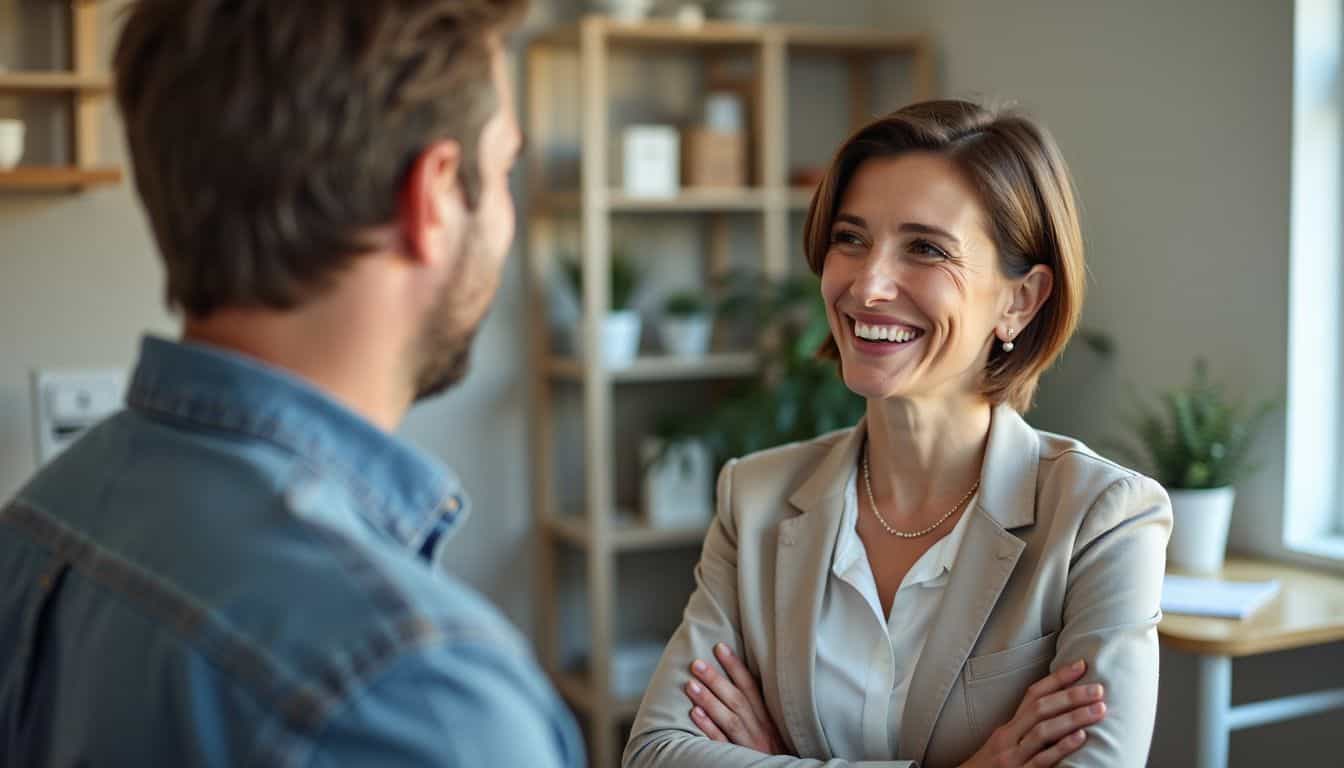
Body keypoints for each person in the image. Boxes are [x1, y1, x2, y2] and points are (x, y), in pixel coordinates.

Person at [0, 1, 584, 766]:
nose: (506, 210)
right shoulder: (420, 694)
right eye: (505, 169)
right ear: (434, 195)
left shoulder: (37, 526)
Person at [624, 100, 1170, 768]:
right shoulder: (756, 498)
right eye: (851, 238)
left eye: (926, 249)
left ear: (1019, 300)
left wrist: (778, 759)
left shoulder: (1102, 520)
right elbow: (655, 754)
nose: (868, 284)